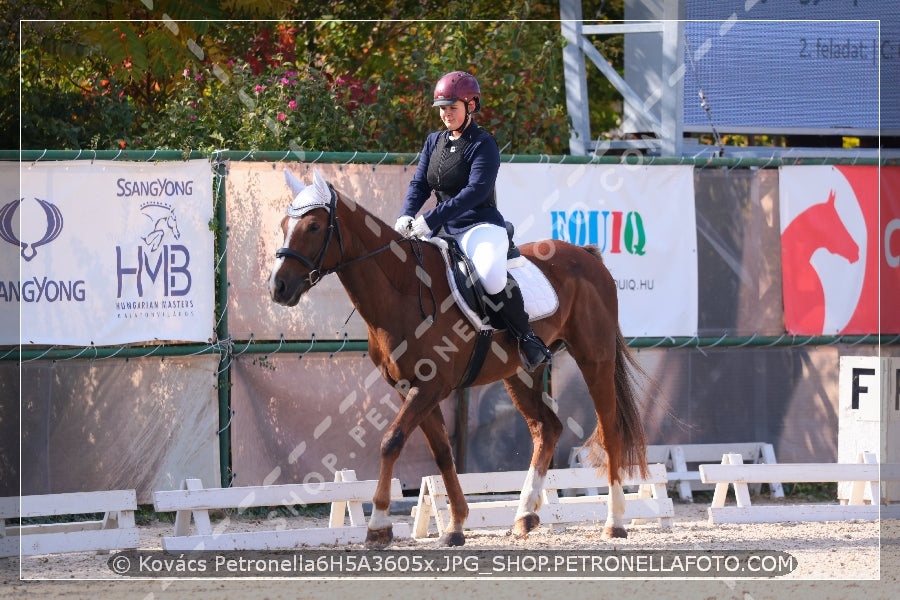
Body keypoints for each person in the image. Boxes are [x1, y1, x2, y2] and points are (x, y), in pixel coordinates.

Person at [394, 70, 552, 371]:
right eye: (442, 108)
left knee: (491, 276)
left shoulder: (483, 143)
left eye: (452, 107)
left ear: (471, 105)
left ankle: (528, 338)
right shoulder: (433, 141)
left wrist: (430, 217)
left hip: (479, 227)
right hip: (442, 229)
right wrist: (406, 214)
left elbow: (475, 192)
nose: (445, 114)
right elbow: (419, 184)